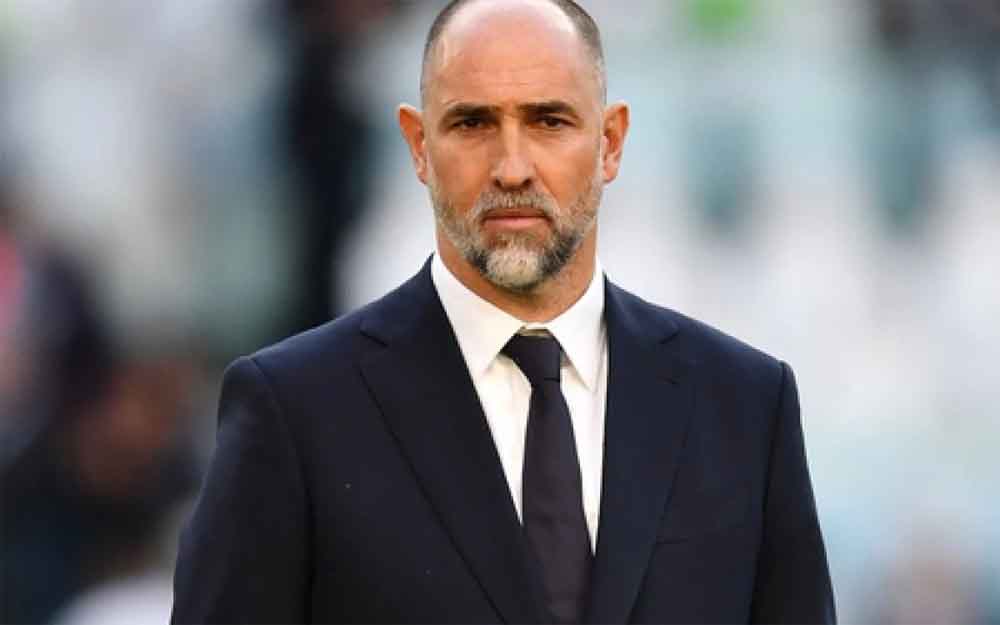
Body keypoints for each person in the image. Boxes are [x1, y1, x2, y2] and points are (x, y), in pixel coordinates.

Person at [170, 0, 836, 623]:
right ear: (418, 145)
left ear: (610, 142)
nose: (512, 168)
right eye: (473, 123)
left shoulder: (746, 407)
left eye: (549, 121)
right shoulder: (295, 411)